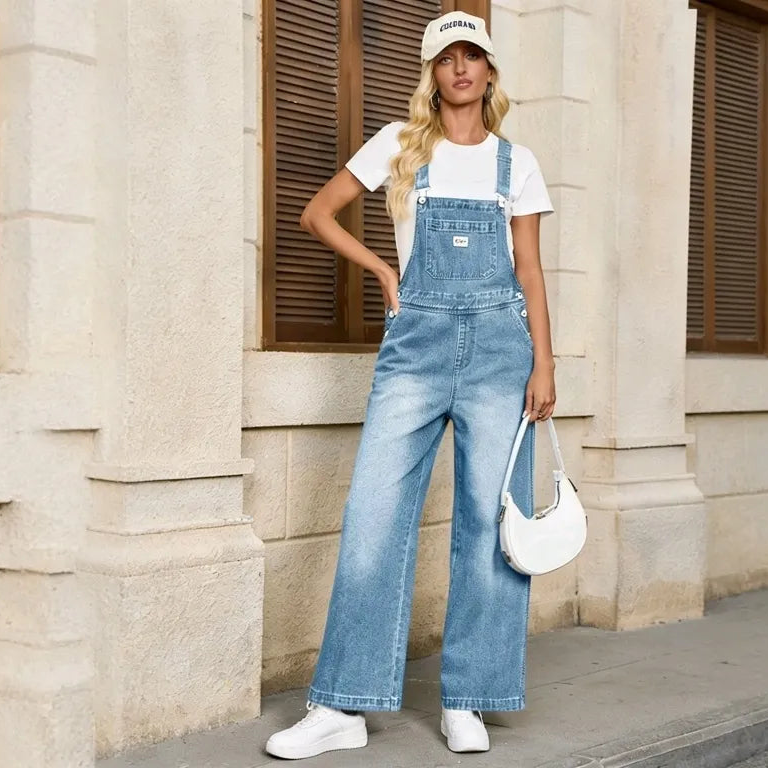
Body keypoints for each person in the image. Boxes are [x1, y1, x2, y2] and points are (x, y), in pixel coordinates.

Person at [265, 9, 556, 760]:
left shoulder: (515, 163)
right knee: (373, 512)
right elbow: (316, 213)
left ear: (489, 72)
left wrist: (544, 364)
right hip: (415, 346)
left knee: (489, 524)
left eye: (473, 55)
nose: (460, 68)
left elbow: (529, 269)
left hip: (501, 350)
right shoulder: (398, 146)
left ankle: (470, 699)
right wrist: (382, 271)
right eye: (446, 58)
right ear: (431, 74)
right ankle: (342, 705)